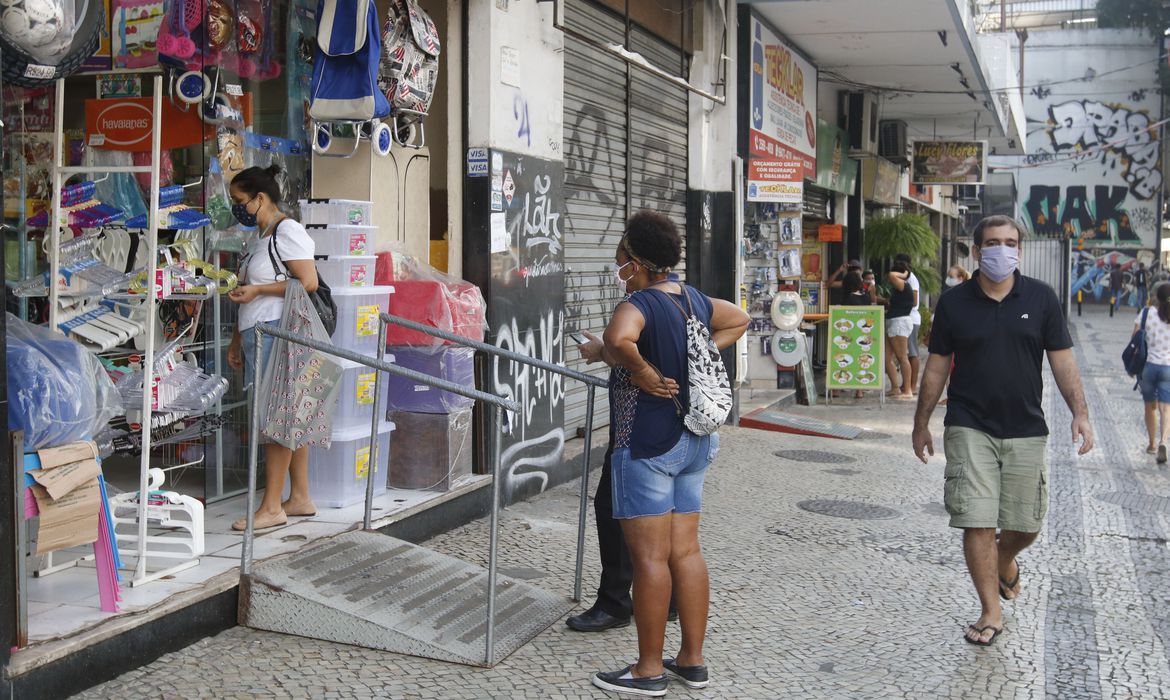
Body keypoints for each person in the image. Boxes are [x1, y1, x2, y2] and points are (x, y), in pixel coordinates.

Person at [912, 214, 1094, 647]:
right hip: (969, 423)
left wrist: (1081, 413)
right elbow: (936, 367)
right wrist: (921, 423)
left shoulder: (1042, 298)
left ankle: (1004, 556)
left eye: (1010, 243)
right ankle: (990, 611)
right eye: (993, 243)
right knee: (976, 520)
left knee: (1027, 524)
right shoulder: (954, 303)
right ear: (977, 251)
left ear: (1020, 250)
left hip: (1026, 426)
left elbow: (1063, 361)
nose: (1002, 250)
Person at [589, 211, 748, 697]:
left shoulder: (638, 302)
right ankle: (692, 661)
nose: (618, 265)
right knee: (686, 551)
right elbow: (739, 318)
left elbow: (619, 337)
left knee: (650, 560)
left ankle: (648, 670)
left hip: (648, 444)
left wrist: (641, 371)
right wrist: (694, 352)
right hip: (695, 442)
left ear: (636, 262)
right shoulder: (693, 298)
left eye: (620, 257)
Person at [226, 165, 320, 531]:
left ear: (260, 198)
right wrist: (237, 339)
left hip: (278, 332)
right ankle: (300, 497)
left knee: (275, 419)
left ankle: (270, 507)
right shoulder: (261, 237)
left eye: (239, 200)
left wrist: (258, 290)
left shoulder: (287, 231)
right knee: (287, 414)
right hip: (258, 333)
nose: (236, 207)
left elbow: (308, 281)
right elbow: (249, 291)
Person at [1138, 283, 1170, 463]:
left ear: (1157, 296)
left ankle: (1152, 444)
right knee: (1166, 408)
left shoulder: (1146, 313)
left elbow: (1135, 336)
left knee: (1150, 407)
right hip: (1168, 368)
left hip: (1149, 367)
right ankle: (1163, 441)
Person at [884, 260, 916, 399]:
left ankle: (907, 390)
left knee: (902, 357)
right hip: (893, 322)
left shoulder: (903, 284)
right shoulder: (900, 288)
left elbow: (892, 275)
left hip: (899, 322)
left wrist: (904, 274)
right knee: (887, 358)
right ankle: (895, 388)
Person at [894, 253, 922, 394]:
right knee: (906, 353)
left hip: (910, 318)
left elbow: (914, 301)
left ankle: (912, 385)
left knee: (912, 352)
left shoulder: (911, 278)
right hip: (905, 317)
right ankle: (907, 384)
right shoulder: (903, 278)